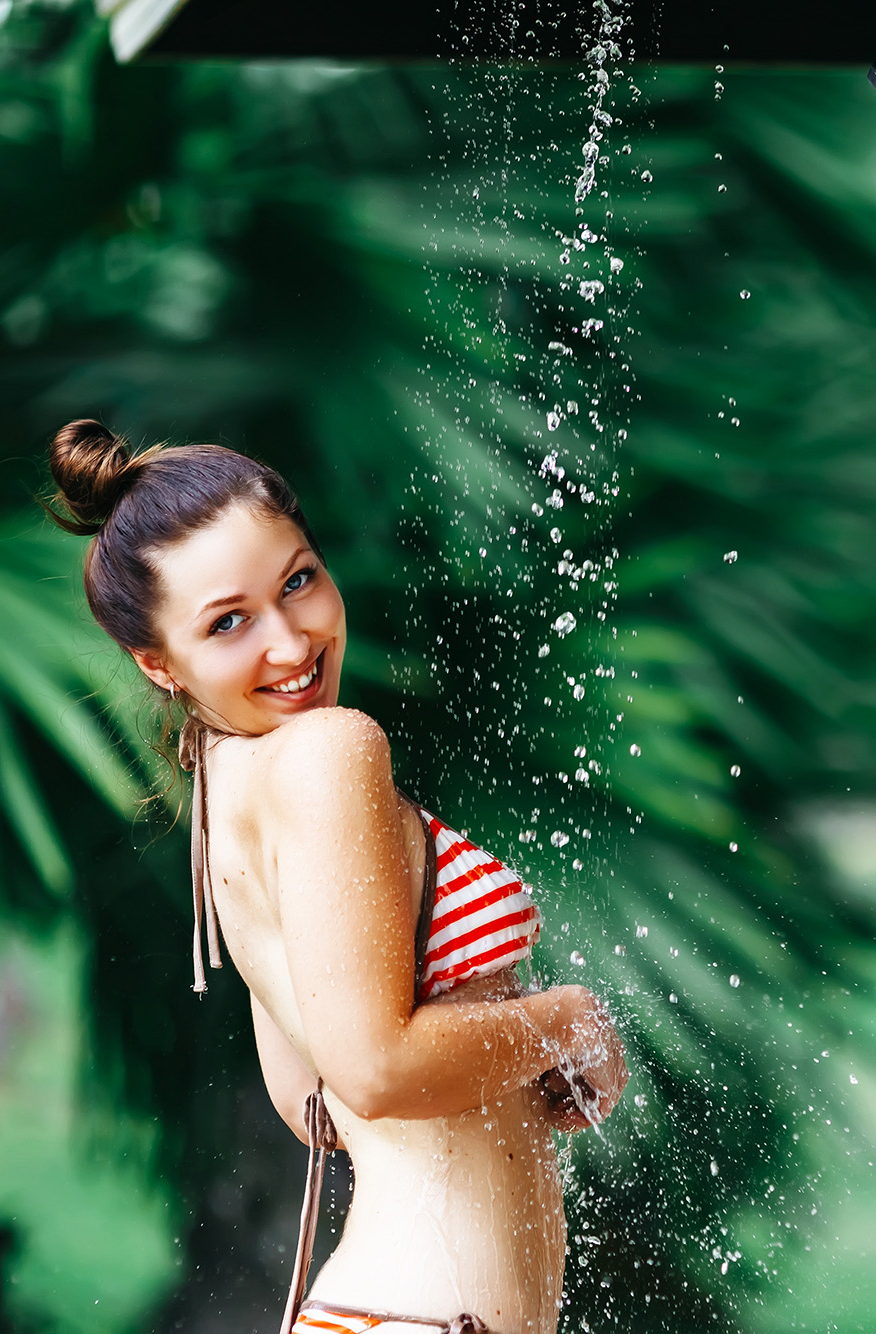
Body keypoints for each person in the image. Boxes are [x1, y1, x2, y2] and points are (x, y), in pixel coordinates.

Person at [43, 421, 628, 1334]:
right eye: (229, 622)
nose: (291, 642)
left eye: (299, 581)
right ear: (157, 663)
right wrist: (567, 1022)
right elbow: (371, 1072)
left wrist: (498, 1068)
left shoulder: (225, 791)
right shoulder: (330, 751)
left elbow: (306, 1100)